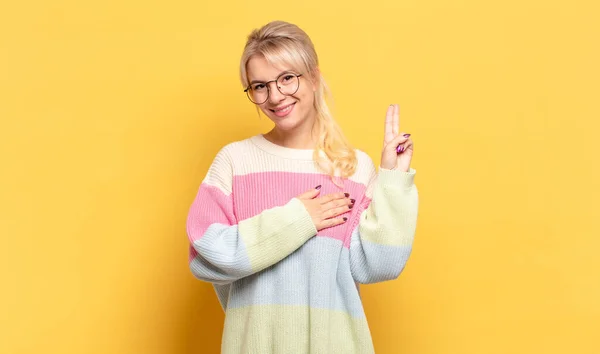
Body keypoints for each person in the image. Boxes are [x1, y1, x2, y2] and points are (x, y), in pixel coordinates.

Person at [186, 20, 418, 354]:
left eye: (286, 78)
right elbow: (206, 256)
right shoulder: (235, 161)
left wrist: (393, 182)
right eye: (260, 86)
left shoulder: (353, 168)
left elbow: (378, 265)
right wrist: (298, 219)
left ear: (313, 76)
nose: (275, 96)